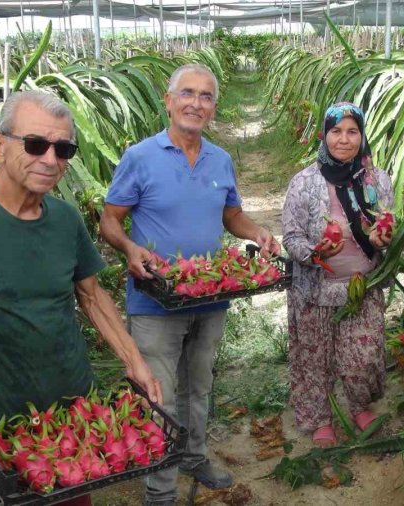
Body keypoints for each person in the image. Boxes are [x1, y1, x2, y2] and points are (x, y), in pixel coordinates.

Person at [0, 91, 162, 505]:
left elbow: (92, 295)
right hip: (2, 418)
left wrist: (135, 362)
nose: (50, 159)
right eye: (35, 144)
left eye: (63, 149)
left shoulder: (64, 219)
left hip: (75, 407)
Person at [100, 63, 280, 505]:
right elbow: (109, 220)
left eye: (205, 96)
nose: (195, 103)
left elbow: (231, 215)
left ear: (214, 107)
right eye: (187, 93)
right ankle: (160, 491)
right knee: (159, 395)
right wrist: (128, 248)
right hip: (156, 301)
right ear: (168, 100)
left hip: (210, 294)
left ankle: (194, 456)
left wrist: (255, 231)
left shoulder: (220, 159)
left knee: (198, 385)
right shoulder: (140, 157)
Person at [281, 102, 394, 448]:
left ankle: (359, 406)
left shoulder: (377, 180)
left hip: (363, 287)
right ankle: (321, 419)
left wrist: (383, 238)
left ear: (362, 136)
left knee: (364, 356)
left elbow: (388, 223)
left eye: (352, 132)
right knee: (316, 357)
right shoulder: (304, 182)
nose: (343, 139)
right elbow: (290, 237)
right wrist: (315, 253)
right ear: (324, 135)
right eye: (336, 131)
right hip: (315, 289)